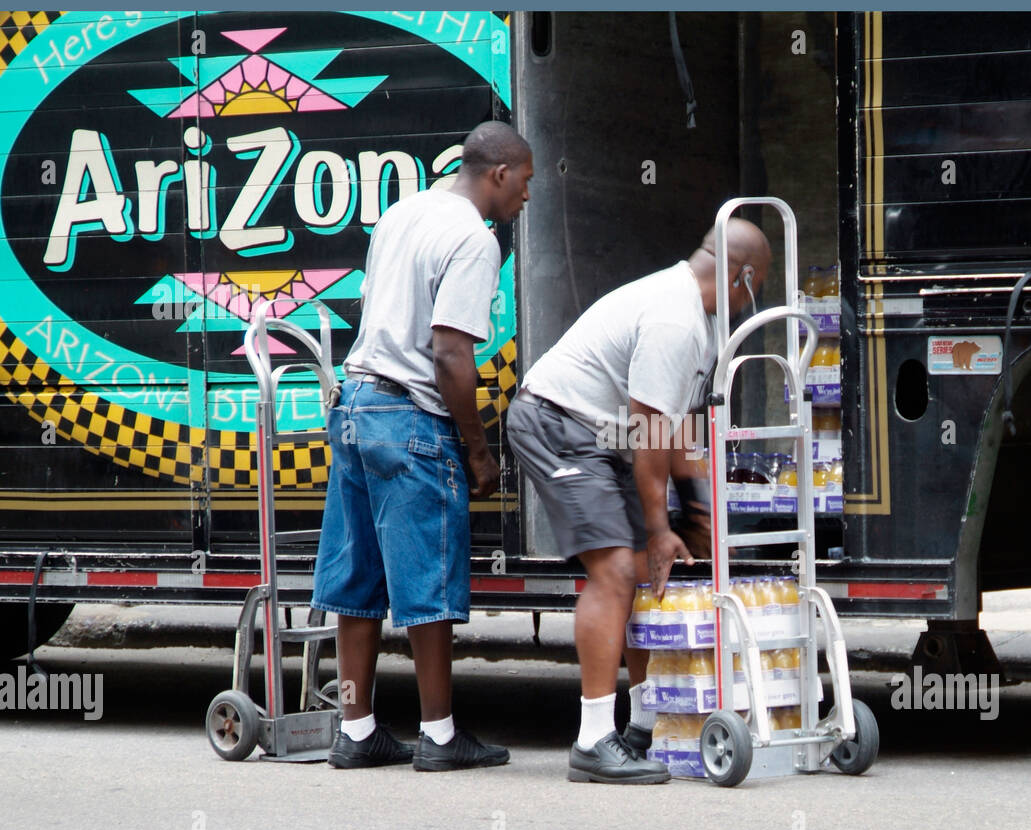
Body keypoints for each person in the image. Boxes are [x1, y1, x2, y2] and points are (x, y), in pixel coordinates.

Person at [507, 219, 772, 783]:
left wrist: (698, 513)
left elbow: (674, 433)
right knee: (616, 573)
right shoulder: (675, 320)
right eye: (758, 286)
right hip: (557, 422)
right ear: (741, 275)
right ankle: (593, 741)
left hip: (605, 436)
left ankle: (643, 726)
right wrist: (659, 526)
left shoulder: (693, 320)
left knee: (648, 573)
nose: (755, 300)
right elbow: (651, 435)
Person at [311, 121, 533, 771]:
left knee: (356, 584)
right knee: (427, 582)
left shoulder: (401, 214)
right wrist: (478, 449)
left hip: (355, 405)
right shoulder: (474, 238)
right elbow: (451, 351)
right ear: (498, 173)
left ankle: (356, 730)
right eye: (524, 181)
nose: (526, 195)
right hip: (410, 416)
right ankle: (439, 735)